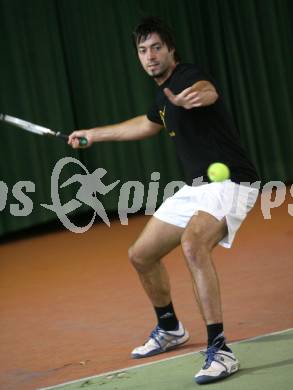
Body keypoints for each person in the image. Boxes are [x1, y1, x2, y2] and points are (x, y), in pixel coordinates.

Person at [68, 17, 259, 385]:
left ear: (171, 50)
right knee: (141, 254)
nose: (150, 56)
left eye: (156, 47)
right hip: (196, 187)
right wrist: (93, 135)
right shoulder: (161, 95)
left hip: (233, 182)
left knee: (192, 244)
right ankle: (170, 328)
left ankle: (220, 349)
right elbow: (144, 124)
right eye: (143, 50)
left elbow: (207, 90)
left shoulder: (186, 76)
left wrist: (196, 95)